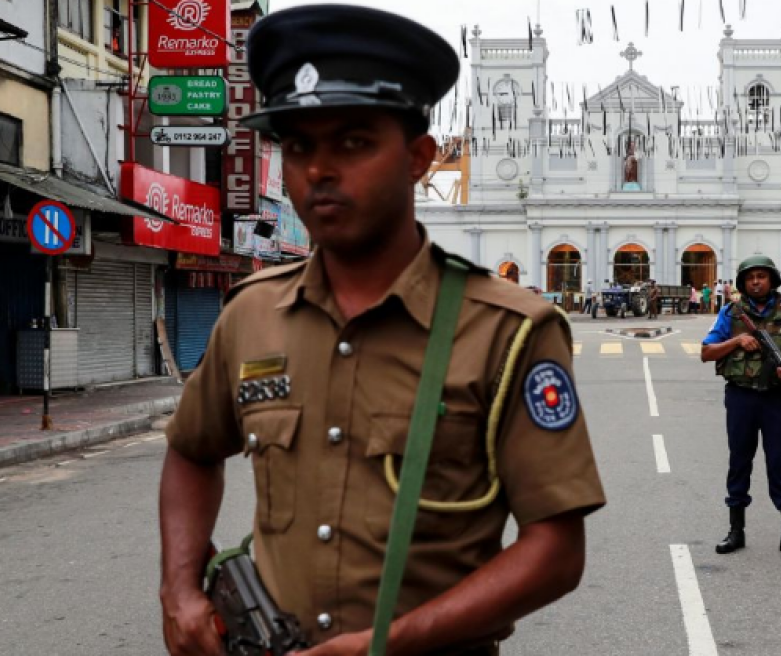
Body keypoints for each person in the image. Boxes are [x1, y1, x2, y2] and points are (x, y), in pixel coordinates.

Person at [157, 7, 606, 656]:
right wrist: (179, 589)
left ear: (419, 157)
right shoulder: (250, 314)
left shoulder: (508, 331)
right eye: (300, 146)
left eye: (353, 142)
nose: (318, 170)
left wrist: (389, 644)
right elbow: (192, 450)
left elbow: (557, 550)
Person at [699, 256, 781, 560]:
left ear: (772, 280)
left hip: (776, 397)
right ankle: (736, 531)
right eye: (750, 278)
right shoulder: (731, 313)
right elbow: (706, 352)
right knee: (739, 460)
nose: (756, 282)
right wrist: (737, 341)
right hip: (741, 397)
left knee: (778, 462)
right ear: (743, 283)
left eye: (762, 276)